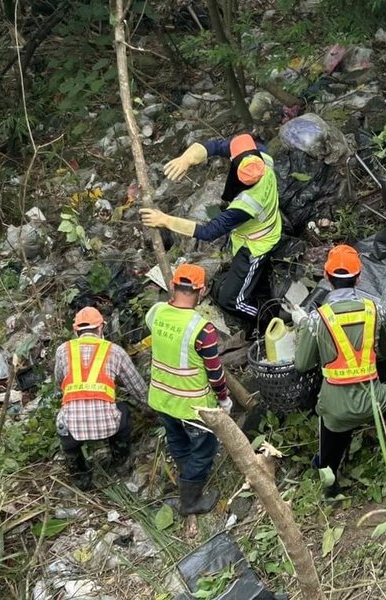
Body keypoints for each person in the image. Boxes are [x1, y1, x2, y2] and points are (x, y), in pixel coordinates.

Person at [294, 245, 386, 497]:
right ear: (359, 276)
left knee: (327, 452)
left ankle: (329, 490)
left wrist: (303, 327)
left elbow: (302, 364)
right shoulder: (374, 310)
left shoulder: (316, 319)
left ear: (326, 276)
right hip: (374, 401)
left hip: (334, 410)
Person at [139, 135, 283, 320]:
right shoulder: (263, 157)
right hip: (259, 229)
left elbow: (208, 232)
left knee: (231, 300)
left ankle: (269, 318)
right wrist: (187, 158)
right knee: (254, 284)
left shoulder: (246, 204)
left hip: (258, 245)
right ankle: (261, 297)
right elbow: (215, 146)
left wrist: (166, 220)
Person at [145, 263, 233, 515]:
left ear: (172, 286)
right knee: (205, 449)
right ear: (202, 291)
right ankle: (190, 500)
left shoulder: (156, 312)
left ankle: (187, 481)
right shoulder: (202, 330)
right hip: (193, 405)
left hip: (162, 398)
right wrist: (224, 399)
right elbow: (215, 373)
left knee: (177, 441)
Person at [55, 307, 148, 491]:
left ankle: (81, 477)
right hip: (108, 426)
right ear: (101, 328)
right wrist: (152, 410)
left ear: (76, 331)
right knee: (123, 411)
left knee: (63, 427)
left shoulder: (63, 350)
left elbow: (60, 382)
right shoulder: (115, 351)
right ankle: (120, 462)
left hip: (72, 431)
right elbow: (139, 390)